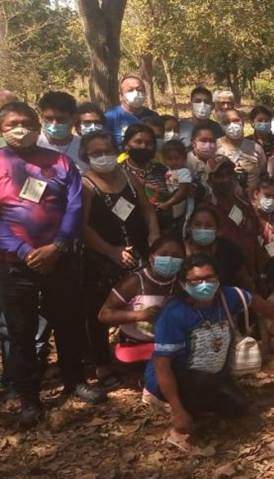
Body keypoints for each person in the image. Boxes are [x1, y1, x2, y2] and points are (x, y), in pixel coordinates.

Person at [0, 102, 105, 428]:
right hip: (13, 264)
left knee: (69, 322)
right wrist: (22, 250)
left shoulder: (59, 162)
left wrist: (57, 246)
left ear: (37, 125)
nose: (21, 128)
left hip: (61, 258)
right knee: (21, 332)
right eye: (12, 123)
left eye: (26, 122)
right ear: (2, 128)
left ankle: (75, 381)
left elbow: (74, 207)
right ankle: (29, 398)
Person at [144, 254, 274, 448]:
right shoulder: (173, 315)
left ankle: (200, 403)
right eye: (196, 281)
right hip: (178, 375)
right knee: (203, 384)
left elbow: (255, 301)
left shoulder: (227, 297)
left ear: (218, 278)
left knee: (238, 408)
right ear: (183, 284)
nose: (204, 285)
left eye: (209, 278)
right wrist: (178, 411)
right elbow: (163, 366)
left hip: (212, 373)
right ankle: (173, 413)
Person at [81, 128, 160, 383]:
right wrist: (111, 251)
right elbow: (82, 227)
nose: (103, 156)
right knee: (99, 307)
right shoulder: (85, 185)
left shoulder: (128, 176)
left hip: (138, 250)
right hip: (102, 258)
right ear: (85, 155)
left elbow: (147, 209)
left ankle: (137, 352)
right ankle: (101, 363)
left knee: (139, 303)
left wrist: (154, 235)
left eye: (107, 151)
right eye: (96, 153)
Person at [98, 236, 186, 365]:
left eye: (176, 256)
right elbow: (104, 315)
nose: (169, 259)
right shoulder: (134, 282)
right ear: (151, 257)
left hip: (167, 345)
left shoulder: (181, 285)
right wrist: (139, 315)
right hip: (133, 346)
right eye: (163, 254)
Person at [182, 204, 252, 289]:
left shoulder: (229, 250)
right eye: (197, 224)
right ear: (189, 227)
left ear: (217, 230)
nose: (203, 228)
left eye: (209, 226)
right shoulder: (179, 250)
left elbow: (244, 280)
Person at [121, 124, 170, 212]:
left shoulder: (163, 170)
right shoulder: (118, 172)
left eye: (149, 143)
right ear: (126, 145)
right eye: (138, 142)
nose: (143, 146)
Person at [216, 109, 267, 194]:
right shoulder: (215, 147)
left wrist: (254, 170)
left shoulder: (256, 148)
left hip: (252, 196)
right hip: (224, 196)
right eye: (226, 122)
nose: (232, 125)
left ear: (243, 122)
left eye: (236, 120)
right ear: (221, 126)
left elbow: (263, 173)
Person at [36, 91, 86, 174]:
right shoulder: (33, 146)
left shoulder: (85, 147)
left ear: (74, 118)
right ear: (41, 117)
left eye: (61, 119)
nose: (54, 124)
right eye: (49, 118)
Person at [104, 75, 159, 146]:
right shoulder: (110, 117)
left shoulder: (153, 116)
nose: (136, 93)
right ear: (121, 94)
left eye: (139, 90)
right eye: (130, 90)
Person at [156, 141, 194, 234]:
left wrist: (167, 204)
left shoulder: (184, 171)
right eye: (170, 158)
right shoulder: (168, 172)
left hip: (183, 204)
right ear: (164, 160)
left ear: (184, 158)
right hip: (173, 206)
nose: (174, 161)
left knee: (183, 226)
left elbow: (182, 191)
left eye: (177, 158)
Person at [185, 123, 222, 189]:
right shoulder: (185, 162)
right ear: (193, 143)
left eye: (212, 141)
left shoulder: (221, 161)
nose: (208, 145)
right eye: (203, 141)